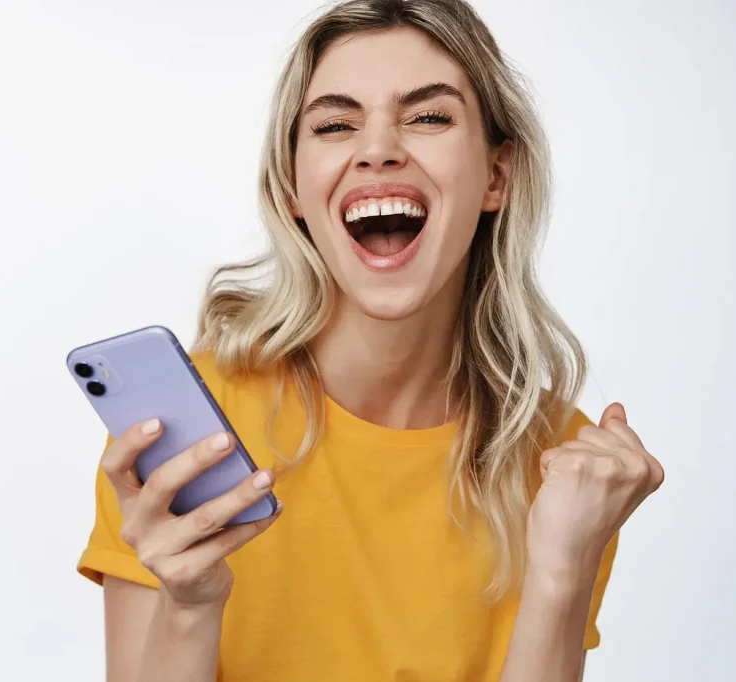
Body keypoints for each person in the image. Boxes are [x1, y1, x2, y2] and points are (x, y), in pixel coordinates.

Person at [75, 0, 664, 680]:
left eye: (428, 117)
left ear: (497, 176)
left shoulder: (565, 468)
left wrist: (561, 571)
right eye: (334, 123)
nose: (379, 147)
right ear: (295, 186)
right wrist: (190, 602)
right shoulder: (183, 430)